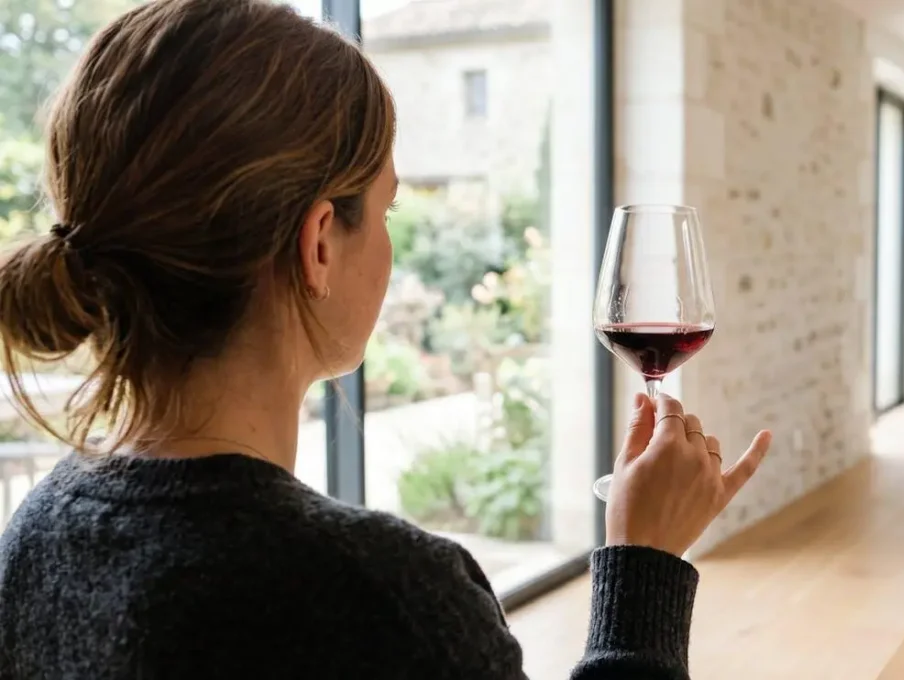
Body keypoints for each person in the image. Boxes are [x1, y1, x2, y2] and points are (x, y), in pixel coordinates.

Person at [0, 1, 773, 678]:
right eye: (386, 211)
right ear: (319, 245)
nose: (391, 246)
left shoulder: (33, 538)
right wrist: (644, 565)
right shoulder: (387, 598)